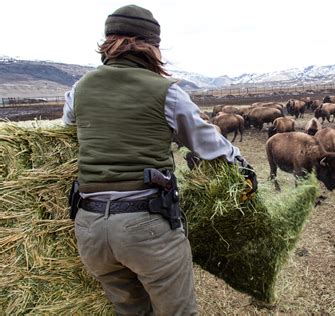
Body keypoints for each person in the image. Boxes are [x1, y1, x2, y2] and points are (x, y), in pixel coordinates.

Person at [62, 4, 256, 315]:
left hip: (90, 228)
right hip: (145, 225)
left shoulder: (78, 89)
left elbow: (68, 130)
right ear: (151, 46)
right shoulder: (166, 91)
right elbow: (207, 143)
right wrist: (243, 167)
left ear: (108, 42)